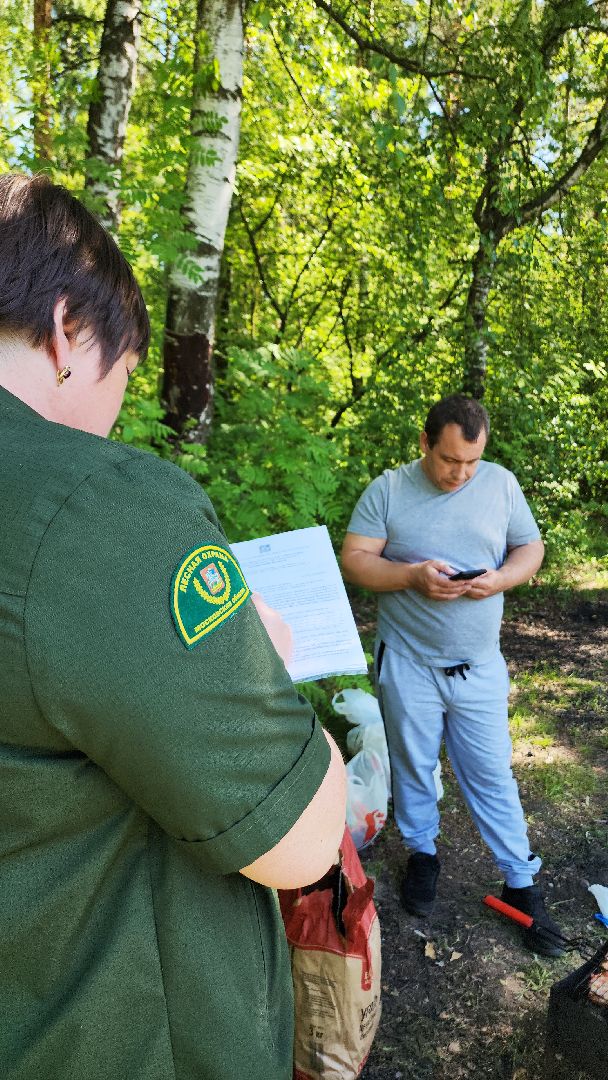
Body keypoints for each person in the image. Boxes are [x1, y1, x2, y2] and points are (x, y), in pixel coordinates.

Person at [0, 173, 346, 1080]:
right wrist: (256, 656)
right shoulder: (94, 510)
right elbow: (301, 842)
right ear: (68, 331)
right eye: (125, 373)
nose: (115, 414)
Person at [341, 393, 564, 957]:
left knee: (491, 773)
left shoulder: (499, 484)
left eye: (470, 461)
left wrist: (504, 578)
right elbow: (356, 558)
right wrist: (413, 576)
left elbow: (530, 546)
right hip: (408, 661)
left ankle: (521, 880)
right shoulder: (389, 490)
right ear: (425, 444)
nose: (461, 474)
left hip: (479, 666)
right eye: (449, 461)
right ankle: (422, 854)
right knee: (413, 763)